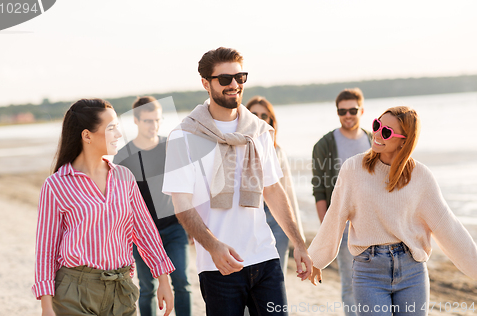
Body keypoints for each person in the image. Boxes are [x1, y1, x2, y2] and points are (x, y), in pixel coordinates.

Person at [162, 47, 313, 316]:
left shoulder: (258, 130)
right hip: (219, 264)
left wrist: (298, 243)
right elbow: (181, 203)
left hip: (265, 258)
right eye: (225, 79)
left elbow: (273, 189)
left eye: (240, 78)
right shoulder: (184, 135)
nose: (234, 85)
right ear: (205, 83)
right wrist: (212, 246)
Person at [308, 106, 477, 316]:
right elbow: (336, 215)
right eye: (377, 125)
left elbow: (447, 225)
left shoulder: (421, 176)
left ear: (404, 141)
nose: (377, 134)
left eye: (386, 132)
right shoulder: (353, 169)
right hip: (368, 272)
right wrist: (315, 259)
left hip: (412, 271)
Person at [32, 98, 175, 316]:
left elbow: (144, 230)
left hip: (122, 289)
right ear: (87, 135)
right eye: (111, 128)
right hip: (74, 291)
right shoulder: (56, 185)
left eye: (118, 127)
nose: (119, 134)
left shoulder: (124, 177)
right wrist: (46, 305)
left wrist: (163, 278)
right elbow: (46, 249)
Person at [113, 96, 191, 316]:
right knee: (147, 288)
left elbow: (186, 187)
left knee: (182, 283)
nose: (154, 125)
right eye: (148, 120)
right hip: (141, 234)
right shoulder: (123, 157)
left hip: (175, 227)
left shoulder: (171, 147)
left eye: (157, 120)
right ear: (136, 121)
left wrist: (193, 223)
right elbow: (120, 203)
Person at [311, 88, 371, 315]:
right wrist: (327, 230)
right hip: (344, 224)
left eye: (353, 110)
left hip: (375, 224)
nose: (348, 115)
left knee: (375, 279)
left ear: (361, 110)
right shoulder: (324, 146)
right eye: (342, 111)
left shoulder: (374, 140)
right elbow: (319, 191)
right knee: (351, 281)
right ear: (337, 113)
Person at [245, 96, 305, 275]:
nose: (259, 119)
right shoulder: (235, 148)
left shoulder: (278, 152)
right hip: (249, 221)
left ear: (270, 121)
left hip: (277, 222)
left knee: (276, 278)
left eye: (264, 116)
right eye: (254, 114)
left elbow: (288, 195)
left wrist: (299, 241)